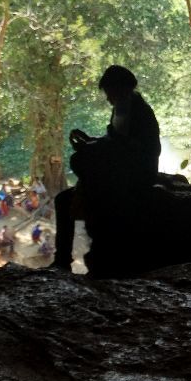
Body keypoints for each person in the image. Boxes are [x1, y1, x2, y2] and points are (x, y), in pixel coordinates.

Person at [48, 64, 161, 272]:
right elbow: (116, 141)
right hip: (129, 173)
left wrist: (92, 147)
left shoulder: (131, 109)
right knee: (68, 191)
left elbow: (123, 147)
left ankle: (63, 260)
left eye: (109, 92)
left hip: (134, 177)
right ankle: (62, 260)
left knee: (64, 199)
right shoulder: (129, 106)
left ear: (118, 88)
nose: (108, 98)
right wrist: (92, 142)